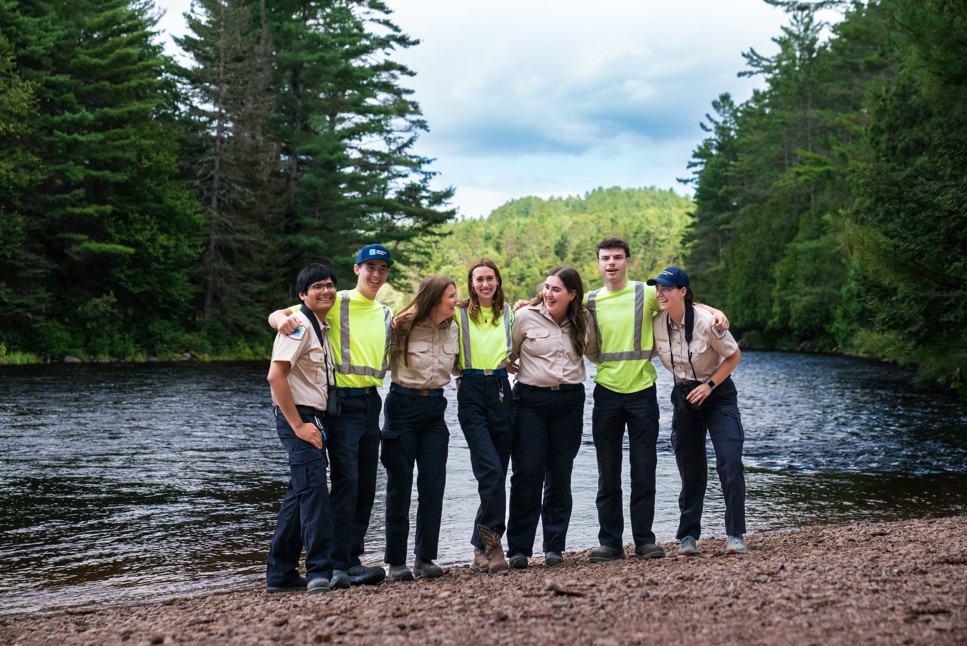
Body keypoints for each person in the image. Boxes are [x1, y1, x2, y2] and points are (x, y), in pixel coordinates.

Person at [586, 237, 728, 563]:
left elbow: (684, 302)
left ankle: (644, 541)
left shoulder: (645, 293)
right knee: (608, 473)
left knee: (643, 469)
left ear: (627, 261)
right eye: (605, 258)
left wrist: (716, 312)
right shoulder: (590, 300)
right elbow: (554, 302)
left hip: (642, 393)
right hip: (606, 392)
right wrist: (526, 304)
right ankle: (610, 543)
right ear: (598, 263)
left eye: (617, 257)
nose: (611, 263)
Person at [268, 244, 394, 589]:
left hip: (370, 402)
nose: (375, 274)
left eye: (382, 268)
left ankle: (343, 560)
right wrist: (279, 320)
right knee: (343, 484)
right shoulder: (333, 301)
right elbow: (282, 316)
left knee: (363, 485)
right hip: (338, 408)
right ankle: (334, 565)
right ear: (357, 269)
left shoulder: (385, 313)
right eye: (369, 267)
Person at [647, 266, 747, 556]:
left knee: (730, 461)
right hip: (685, 400)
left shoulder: (707, 322)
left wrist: (710, 385)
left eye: (666, 288)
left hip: (719, 396)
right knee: (690, 469)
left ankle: (735, 535)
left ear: (682, 292)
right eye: (658, 289)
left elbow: (734, 356)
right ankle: (688, 537)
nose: (660, 293)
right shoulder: (656, 323)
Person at [505, 266, 597, 569]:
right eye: (546, 287)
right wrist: (506, 365)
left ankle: (554, 547)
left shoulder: (583, 319)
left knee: (560, 474)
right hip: (529, 402)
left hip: (569, 403)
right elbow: (505, 353)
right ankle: (519, 549)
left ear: (572, 294)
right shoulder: (524, 317)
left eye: (556, 289)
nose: (548, 294)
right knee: (527, 473)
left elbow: (595, 352)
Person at [265, 263, 339, 595]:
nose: (326, 291)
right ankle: (319, 571)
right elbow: (275, 376)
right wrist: (298, 425)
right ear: (302, 295)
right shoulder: (298, 326)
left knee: (300, 493)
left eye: (330, 285)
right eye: (317, 286)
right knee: (314, 494)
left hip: (313, 416)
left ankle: (280, 573)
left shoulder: (319, 326)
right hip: (299, 417)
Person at [382, 275, 459, 581]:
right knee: (399, 486)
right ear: (434, 298)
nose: (455, 301)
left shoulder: (455, 327)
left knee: (433, 485)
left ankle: (424, 559)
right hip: (402, 406)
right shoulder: (401, 325)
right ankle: (396, 562)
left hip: (436, 410)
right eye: (450, 296)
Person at [455, 259, 515, 574]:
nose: (485, 284)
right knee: (489, 471)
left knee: (498, 473)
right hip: (471, 391)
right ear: (471, 284)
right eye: (479, 279)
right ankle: (493, 546)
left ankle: (480, 544)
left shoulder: (509, 312)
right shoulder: (459, 312)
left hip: (503, 390)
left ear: (498, 281)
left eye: (490, 278)